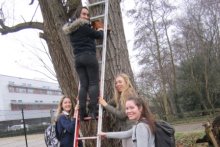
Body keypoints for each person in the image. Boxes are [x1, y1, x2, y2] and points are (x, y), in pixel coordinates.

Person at [62, 6, 104, 120]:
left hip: (78, 60)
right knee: (94, 83)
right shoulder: (84, 27)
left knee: (84, 85)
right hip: (89, 57)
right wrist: (100, 29)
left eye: (87, 14)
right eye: (83, 14)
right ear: (78, 15)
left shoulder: (72, 30)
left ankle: (81, 112)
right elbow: (100, 36)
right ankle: (93, 111)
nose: (86, 16)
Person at [99, 73, 137, 147]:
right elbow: (104, 105)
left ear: (126, 82)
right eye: (116, 83)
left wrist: (105, 105)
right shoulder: (119, 96)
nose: (117, 84)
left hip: (132, 131)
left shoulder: (129, 95)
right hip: (125, 132)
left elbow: (122, 115)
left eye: (120, 82)